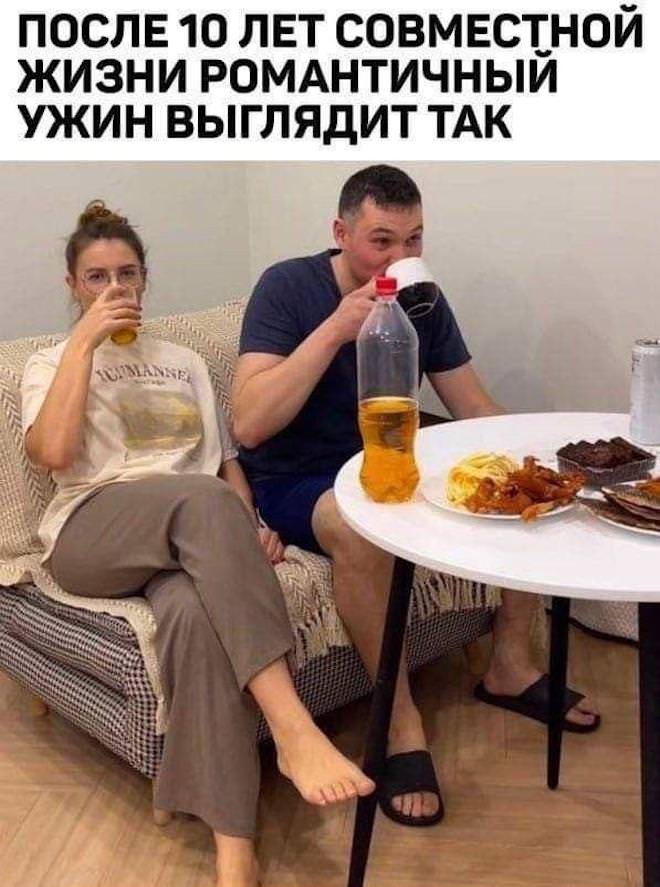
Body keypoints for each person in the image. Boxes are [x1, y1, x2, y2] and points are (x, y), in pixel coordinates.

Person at [233, 164, 601, 829]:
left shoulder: (422, 298)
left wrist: (539, 461)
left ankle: (511, 666)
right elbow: (249, 424)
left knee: (513, 480)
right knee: (357, 523)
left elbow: (473, 407)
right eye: (381, 240)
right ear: (341, 232)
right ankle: (400, 723)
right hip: (297, 478)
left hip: (391, 457)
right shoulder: (287, 286)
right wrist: (335, 329)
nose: (399, 256)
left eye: (414, 239)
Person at [21, 201, 375, 887]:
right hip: (92, 532)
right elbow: (55, 453)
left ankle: (233, 845)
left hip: (187, 531)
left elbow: (222, 465)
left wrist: (249, 525)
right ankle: (293, 728)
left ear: (145, 279)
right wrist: (84, 345)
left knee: (192, 614)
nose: (115, 288)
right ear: (73, 285)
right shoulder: (50, 362)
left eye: (127, 274)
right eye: (97, 277)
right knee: (201, 502)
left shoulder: (181, 361)